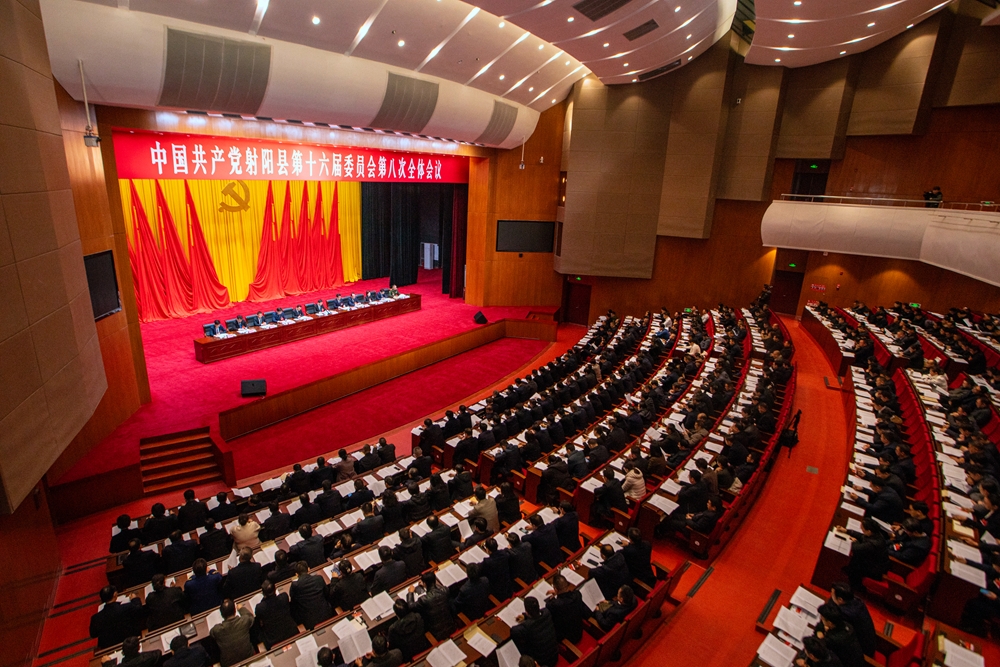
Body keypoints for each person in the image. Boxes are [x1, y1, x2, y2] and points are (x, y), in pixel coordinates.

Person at [829, 583, 876, 657]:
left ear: (840, 600)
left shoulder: (845, 614)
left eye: (832, 595)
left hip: (863, 650)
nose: (831, 596)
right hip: (869, 643)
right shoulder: (856, 600)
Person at [510, 596, 559, 667]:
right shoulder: (547, 612)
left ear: (526, 611)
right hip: (554, 656)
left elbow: (514, 630)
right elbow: (540, 612)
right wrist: (526, 616)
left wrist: (526, 617)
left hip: (541, 662)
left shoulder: (526, 627)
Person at [814, 603, 866, 667]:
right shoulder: (847, 625)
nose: (821, 619)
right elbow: (821, 625)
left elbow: (819, 644)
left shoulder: (832, 640)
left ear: (830, 623)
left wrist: (819, 633)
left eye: (822, 618)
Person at [254, 579, 299, 649]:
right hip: (290, 632)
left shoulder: (260, 607)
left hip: (273, 640)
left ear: (263, 593)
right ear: (275, 589)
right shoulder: (284, 597)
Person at [210, 599, 255, 667]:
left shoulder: (217, 630)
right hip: (248, 657)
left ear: (222, 615)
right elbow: (250, 617)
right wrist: (241, 608)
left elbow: (211, 633)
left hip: (229, 664)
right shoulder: (244, 621)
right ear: (235, 611)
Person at [290, 561, 334, 629]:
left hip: (309, 620)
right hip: (326, 613)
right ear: (308, 569)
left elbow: (293, 600)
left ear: (296, 574)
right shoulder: (318, 578)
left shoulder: (295, 585)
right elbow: (327, 593)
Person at [413, 572, 456, 640]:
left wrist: (410, 592)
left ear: (424, 583)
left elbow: (411, 606)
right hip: (451, 627)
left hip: (436, 634)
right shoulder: (445, 590)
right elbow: (440, 588)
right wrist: (427, 584)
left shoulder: (424, 599)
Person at [544, 574, 586, 643]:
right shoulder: (577, 595)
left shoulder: (554, 605)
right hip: (578, 631)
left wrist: (554, 597)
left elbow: (548, 605)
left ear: (555, 589)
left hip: (566, 638)